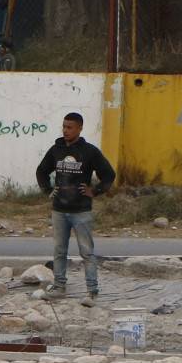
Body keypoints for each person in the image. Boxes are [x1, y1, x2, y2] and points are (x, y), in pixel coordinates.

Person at [34, 112, 116, 304]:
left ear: (79, 128)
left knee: (86, 252)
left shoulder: (89, 151)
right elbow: (41, 171)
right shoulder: (56, 149)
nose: (65, 131)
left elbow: (109, 174)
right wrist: (47, 189)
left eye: (70, 127)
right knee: (59, 251)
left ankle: (92, 292)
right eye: (63, 126)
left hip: (81, 211)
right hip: (59, 211)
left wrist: (94, 191)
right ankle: (59, 287)